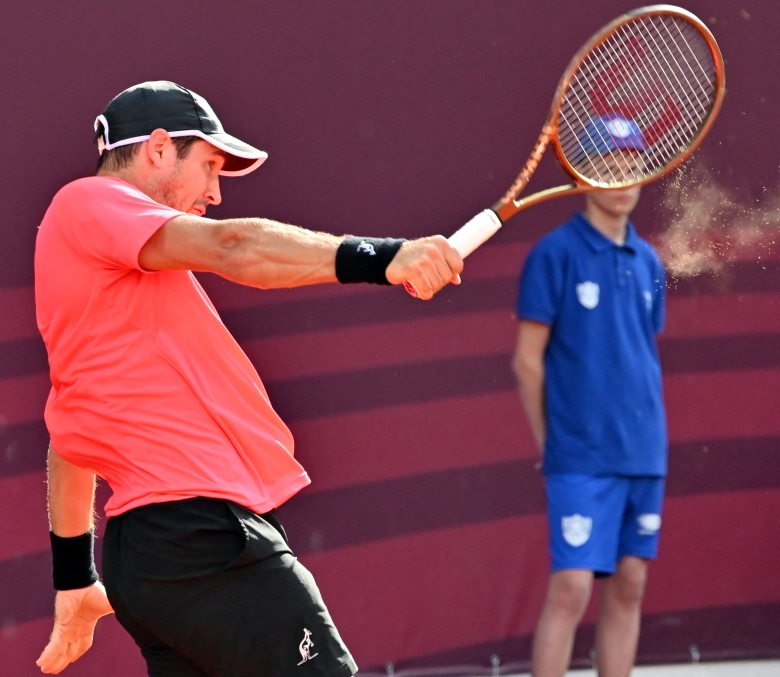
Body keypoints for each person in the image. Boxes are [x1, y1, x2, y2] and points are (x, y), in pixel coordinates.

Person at [34, 81, 463, 677]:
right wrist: (381, 257)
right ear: (158, 149)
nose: (214, 191)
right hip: (201, 536)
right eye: (208, 165)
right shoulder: (89, 202)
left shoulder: (107, 284)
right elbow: (236, 246)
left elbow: (69, 433)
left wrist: (75, 576)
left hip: (153, 557)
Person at [512, 115, 668, 677]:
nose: (624, 182)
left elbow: (640, 351)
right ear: (581, 177)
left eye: (633, 169)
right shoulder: (554, 255)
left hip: (644, 450)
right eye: (608, 169)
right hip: (579, 453)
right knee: (572, 585)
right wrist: (550, 443)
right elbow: (528, 362)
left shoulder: (649, 261)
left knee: (630, 583)